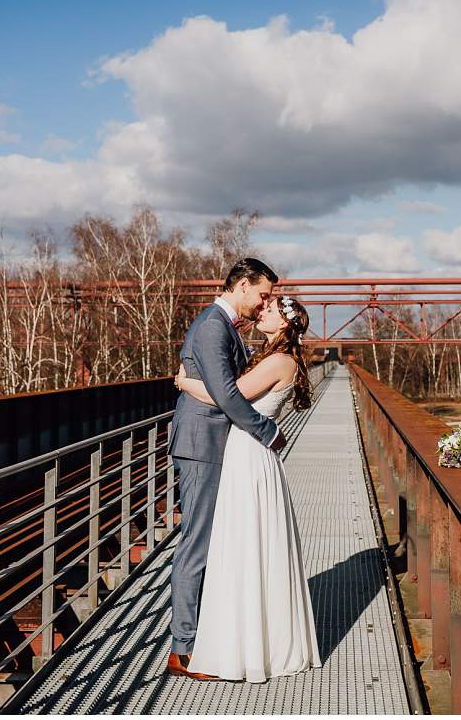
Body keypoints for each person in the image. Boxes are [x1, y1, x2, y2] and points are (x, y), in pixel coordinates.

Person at [174, 295, 322, 683]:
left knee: (242, 547)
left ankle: (239, 646)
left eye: (270, 309)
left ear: (285, 325)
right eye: (264, 303)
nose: (262, 311)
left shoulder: (277, 360)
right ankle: (247, 639)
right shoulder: (273, 356)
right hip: (248, 455)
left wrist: (185, 382)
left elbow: (228, 398)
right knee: (248, 548)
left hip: (249, 457)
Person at [164, 258, 288, 680]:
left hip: (217, 445)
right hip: (203, 446)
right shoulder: (214, 326)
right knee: (196, 545)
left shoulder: (224, 327)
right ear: (241, 285)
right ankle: (183, 649)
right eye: (263, 294)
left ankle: (203, 640)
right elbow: (227, 396)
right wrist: (267, 431)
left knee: (211, 544)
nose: (264, 302)